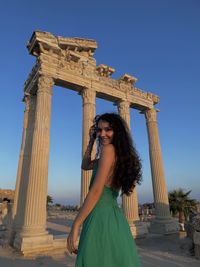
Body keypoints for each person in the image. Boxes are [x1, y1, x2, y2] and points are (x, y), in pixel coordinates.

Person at [67, 113, 142, 266]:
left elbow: (96, 191)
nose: (102, 134)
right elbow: (85, 165)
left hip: (100, 217)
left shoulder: (108, 150)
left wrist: (76, 225)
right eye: (99, 130)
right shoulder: (115, 155)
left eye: (108, 130)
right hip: (113, 217)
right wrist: (91, 141)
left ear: (117, 132)